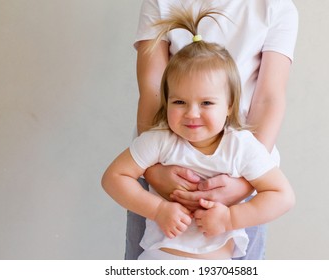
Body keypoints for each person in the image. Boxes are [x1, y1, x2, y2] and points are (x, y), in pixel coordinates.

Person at [103, 6, 295, 260]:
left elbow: (269, 99)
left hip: (245, 172)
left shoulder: (275, 7)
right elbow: (151, 90)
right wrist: (155, 176)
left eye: (206, 103)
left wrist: (239, 194)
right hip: (158, 174)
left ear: (229, 105)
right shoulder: (158, 143)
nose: (193, 113)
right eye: (180, 102)